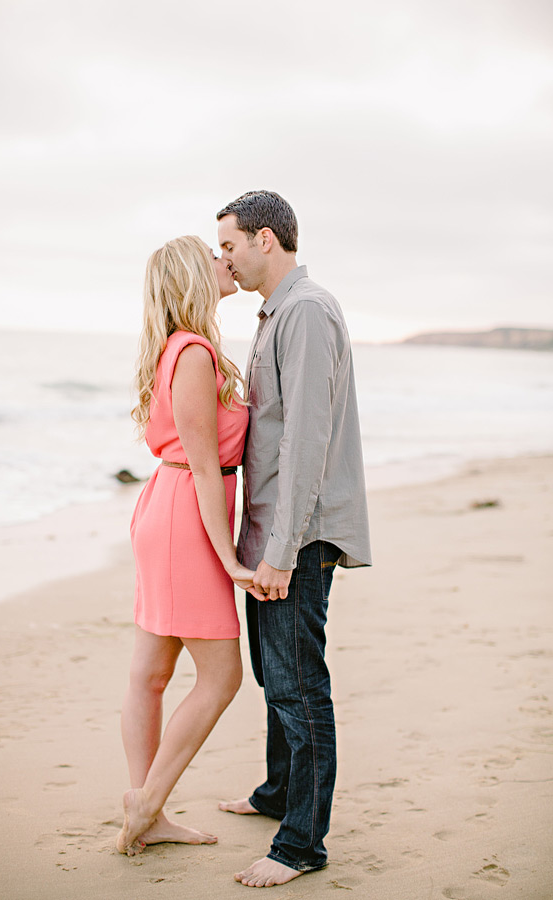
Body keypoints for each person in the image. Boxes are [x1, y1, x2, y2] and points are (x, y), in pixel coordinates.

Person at [216, 191, 372, 888]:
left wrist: (279, 551)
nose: (225, 258)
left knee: (299, 688)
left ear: (266, 241)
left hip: (294, 538)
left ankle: (301, 844)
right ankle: (279, 792)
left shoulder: (305, 312)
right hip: (272, 532)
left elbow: (306, 442)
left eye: (229, 246)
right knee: (275, 678)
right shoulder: (276, 313)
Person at [116, 235, 263, 856]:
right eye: (213, 255)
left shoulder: (177, 347)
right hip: (186, 516)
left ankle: (147, 808)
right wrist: (229, 558)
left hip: (166, 507)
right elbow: (207, 467)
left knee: (150, 673)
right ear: (192, 277)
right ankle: (146, 805)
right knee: (222, 675)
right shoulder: (195, 353)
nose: (224, 261)